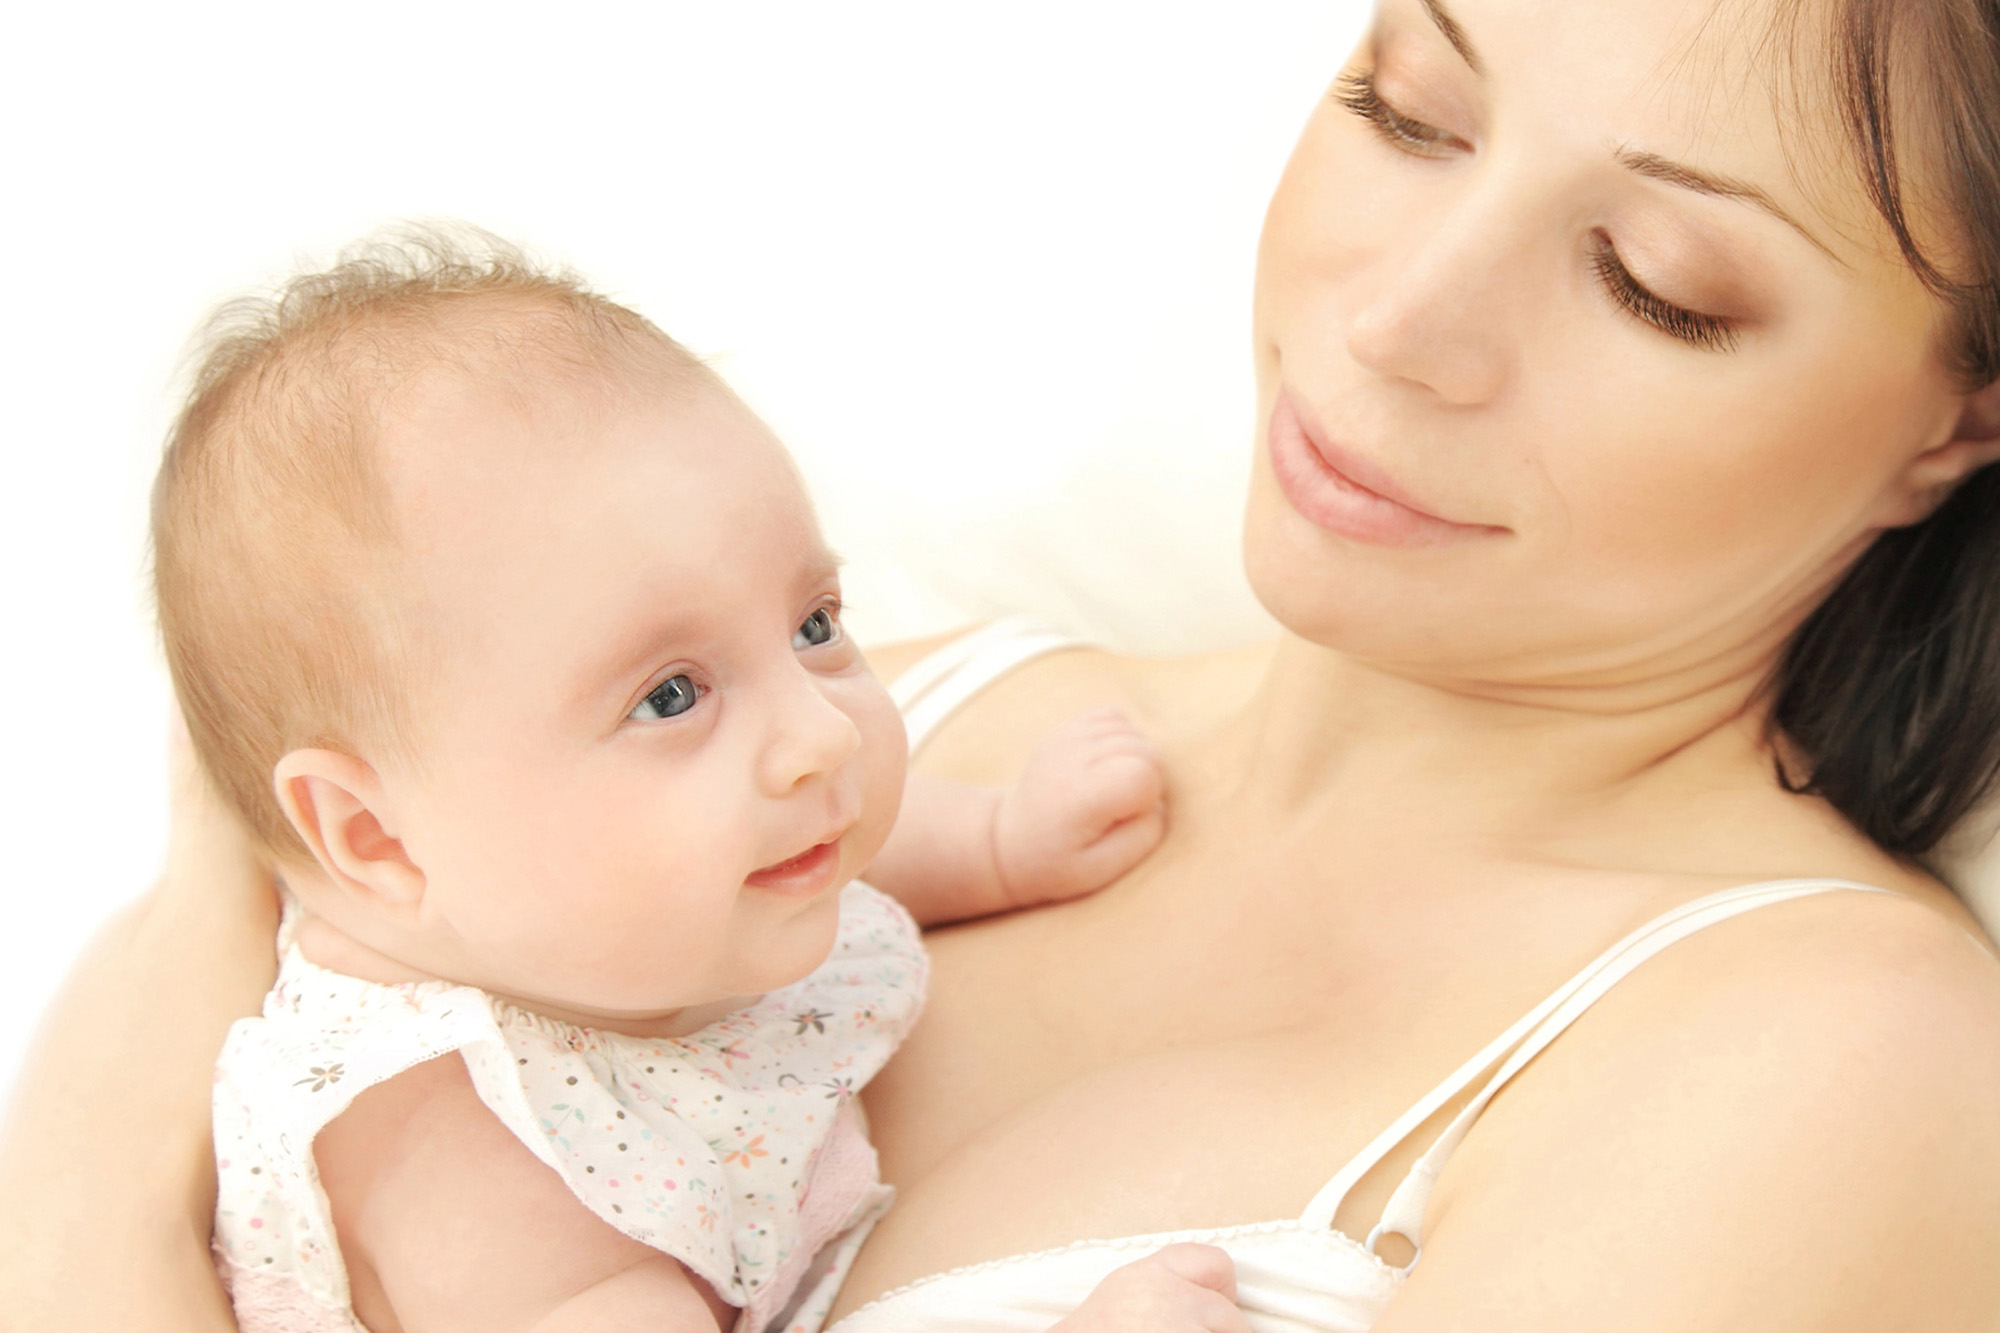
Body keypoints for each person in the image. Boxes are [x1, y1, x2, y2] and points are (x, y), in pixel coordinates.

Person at [6, 0, 2000, 1328]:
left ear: (1953, 418)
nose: (1398, 321)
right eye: (1407, 104)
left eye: (1659, 286)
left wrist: (82, 1228)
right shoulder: (844, 707)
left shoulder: (1838, 1060)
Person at [142, 240, 1170, 1333]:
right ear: (379, 840)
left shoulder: (575, 895)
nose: (818, 736)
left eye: (812, 624)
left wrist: (999, 838)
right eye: (671, 696)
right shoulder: (470, 1169)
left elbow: (825, 845)